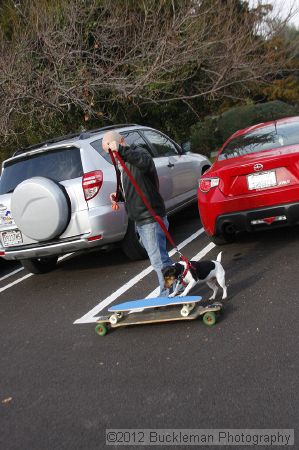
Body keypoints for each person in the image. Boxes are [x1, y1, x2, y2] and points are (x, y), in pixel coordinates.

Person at [102, 130, 173, 296]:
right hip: (139, 218)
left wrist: (121, 150)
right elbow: (131, 185)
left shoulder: (138, 153)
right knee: (159, 257)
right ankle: (175, 285)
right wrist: (118, 195)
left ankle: (168, 290)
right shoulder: (122, 161)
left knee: (157, 259)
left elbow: (145, 163)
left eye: (111, 151)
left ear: (121, 141)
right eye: (108, 153)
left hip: (150, 216)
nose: (111, 155)